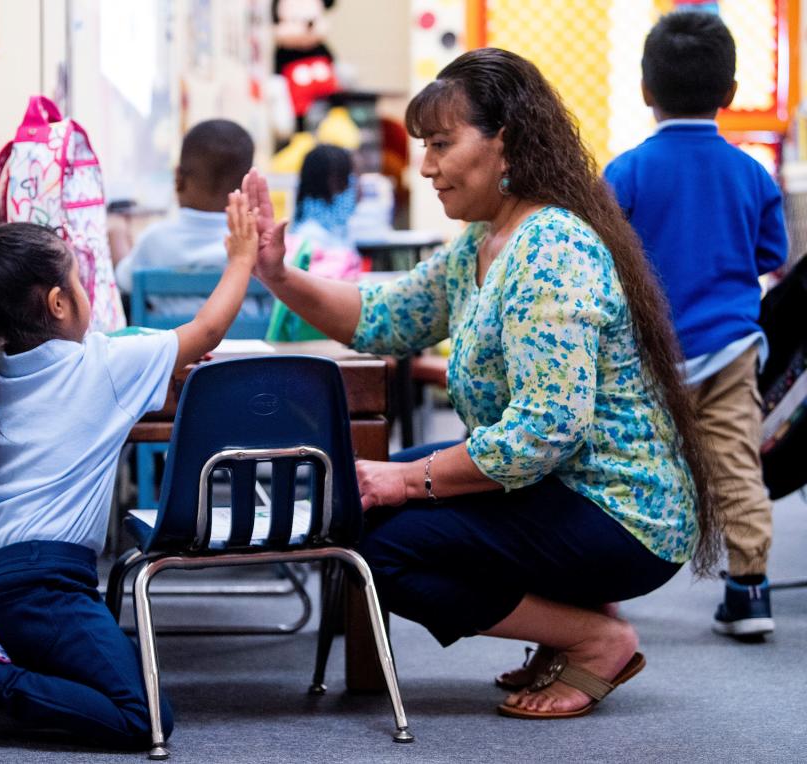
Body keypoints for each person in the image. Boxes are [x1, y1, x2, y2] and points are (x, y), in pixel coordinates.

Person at [242, 46, 718, 719]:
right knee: (357, 503)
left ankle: (593, 637)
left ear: (509, 143)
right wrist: (277, 274)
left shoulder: (550, 246)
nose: (427, 166)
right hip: (557, 485)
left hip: (620, 515)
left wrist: (408, 478)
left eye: (441, 143)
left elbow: (545, 430)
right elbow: (383, 318)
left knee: (378, 543)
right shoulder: (485, 239)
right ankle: (569, 620)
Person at [0, 192, 259, 750]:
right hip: (49, 587)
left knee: (92, 680)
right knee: (144, 718)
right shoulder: (105, 367)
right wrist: (243, 257)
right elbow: (208, 330)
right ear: (58, 303)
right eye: (79, 279)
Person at [604, 11, 787, 639]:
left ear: (646, 91)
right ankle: (749, 591)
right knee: (736, 464)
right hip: (731, 347)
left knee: (623, 464)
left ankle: (599, 589)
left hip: (647, 352)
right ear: (730, 94)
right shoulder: (751, 174)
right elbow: (771, 257)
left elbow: (604, 259)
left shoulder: (625, 172)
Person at [114, 119, 257, 316]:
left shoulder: (154, 241)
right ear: (248, 184)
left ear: (178, 179)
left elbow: (123, 280)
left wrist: (117, 235)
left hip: (179, 346)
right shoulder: (254, 247)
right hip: (252, 346)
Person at [288, 143, 362, 281]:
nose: (353, 185)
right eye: (348, 178)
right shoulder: (310, 237)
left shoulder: (337, 229)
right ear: (332, 180)